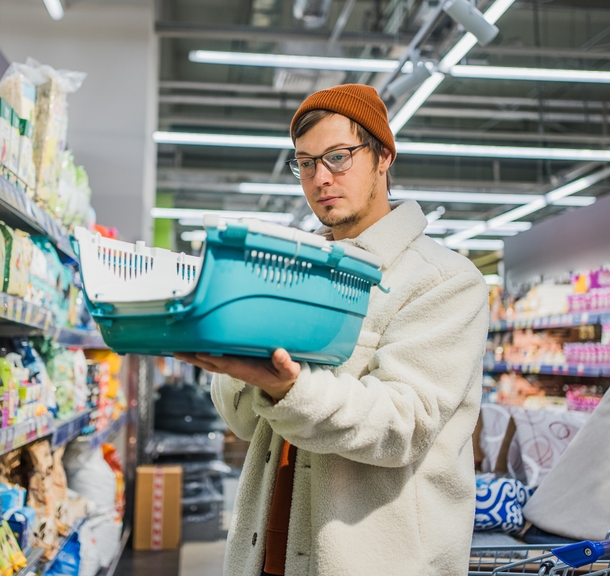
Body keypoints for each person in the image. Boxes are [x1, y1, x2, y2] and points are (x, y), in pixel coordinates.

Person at [175, 83, 489, 576]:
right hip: (268, 552)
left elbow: (402, 425)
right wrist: (229, 342)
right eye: (305, 162)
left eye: (338, 157)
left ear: (383, 156)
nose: (320, 177)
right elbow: (243, 424)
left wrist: (289, 387)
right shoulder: (298, 275)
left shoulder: (444, 280)